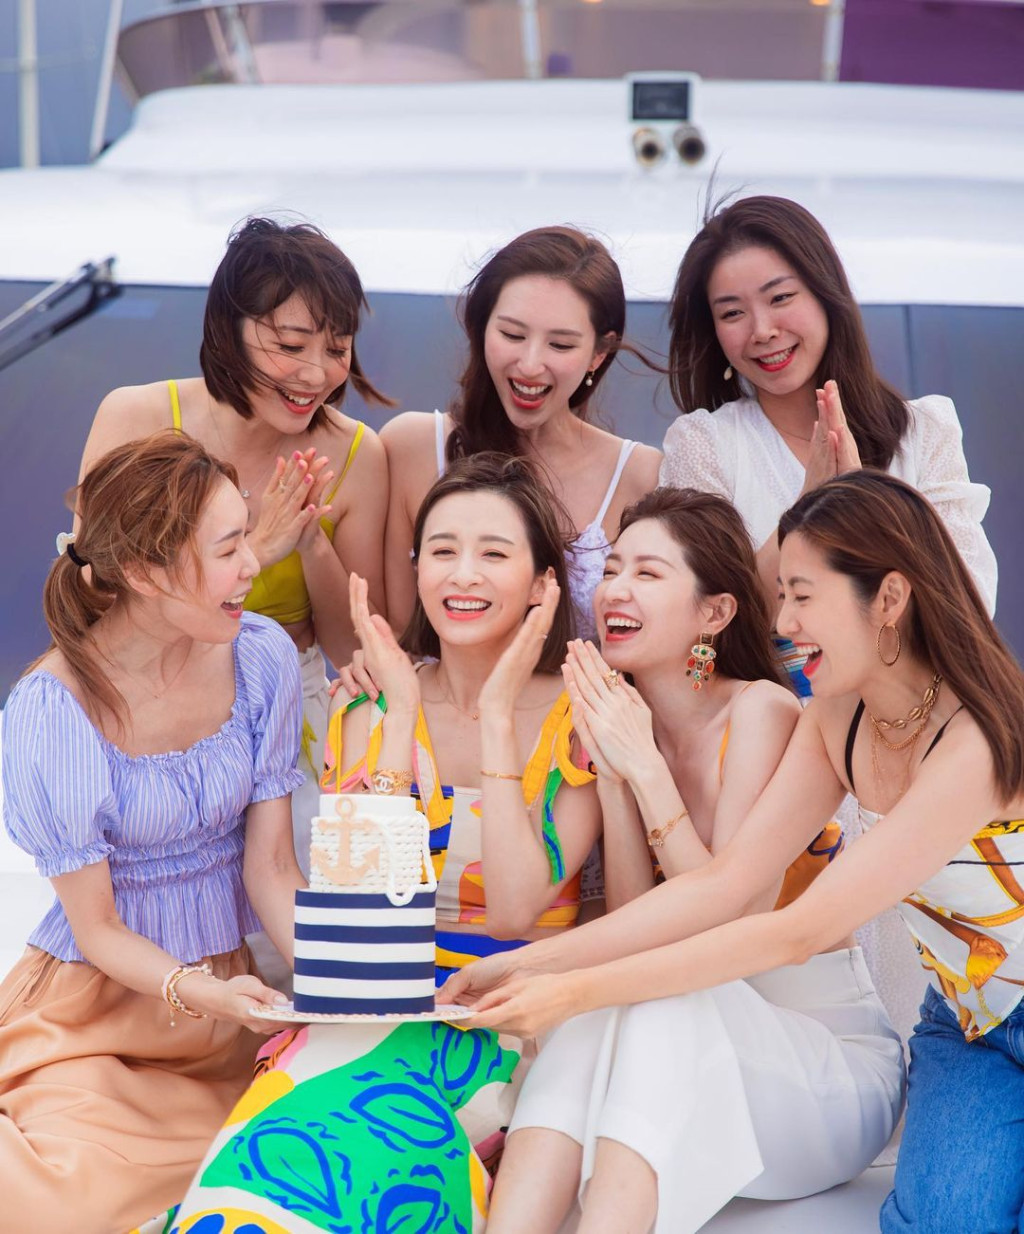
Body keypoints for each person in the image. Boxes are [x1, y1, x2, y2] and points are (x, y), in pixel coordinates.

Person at [444, 470, 1024, 1234]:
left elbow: (794, 931)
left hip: (842, 1038)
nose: (783, 621)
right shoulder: (837, 717)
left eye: (803, 596)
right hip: (970, 1024)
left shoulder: (974, 740)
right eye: (781, 594)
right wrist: (530, 966)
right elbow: (721, 885)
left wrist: (572, 989)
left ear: (888, 599)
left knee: (628, 1002)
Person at [173, 454, 602, 1233]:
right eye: (442, 550)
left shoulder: (582, 719)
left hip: (504, 1026)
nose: (462, 574)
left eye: (494, 553)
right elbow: (361, 924)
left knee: (363, 1171)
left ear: (544, 584)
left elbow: (513, 910)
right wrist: (400, 721)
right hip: (370, 1008)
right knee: (258, 1172)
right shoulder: (368, 709)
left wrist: (499, 715)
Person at [0, 432, 304, 1233]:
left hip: (226, 1021)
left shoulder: (263, 657)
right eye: (229, 549)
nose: (254, 565)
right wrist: (202, 993)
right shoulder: (54, 709)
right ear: (143, 571)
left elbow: (273, 868)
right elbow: (96, 928)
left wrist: (348, 992)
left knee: (275, 1185)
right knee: (67, 1205)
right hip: (93, 1022)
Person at [78, 217, 393, 879]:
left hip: (291, 727)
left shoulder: (357, 455)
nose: (317, 373)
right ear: (229, 328)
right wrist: (258, 548)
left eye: (337, 348)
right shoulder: (137, 419)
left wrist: (310, 543)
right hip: (144, 717)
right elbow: (86, 598)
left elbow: (357, 655)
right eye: (290, 344)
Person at [659, 193, 997, 695]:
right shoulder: (702, 443)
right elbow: (705, 626)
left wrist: (863, 509)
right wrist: (806, 509)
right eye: (732, 313)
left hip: (915, 716)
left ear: (825, 294)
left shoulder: (925, 430)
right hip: (772, 726)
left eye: (780, 298)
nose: (763, 330)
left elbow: (969, 602)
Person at [381, 225, 661, 644]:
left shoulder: (642, 475)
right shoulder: (411, 447)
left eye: (560, 345)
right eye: (512, 335)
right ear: (481, 327)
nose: (530, 365)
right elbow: (394, 633)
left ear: (599, 353)